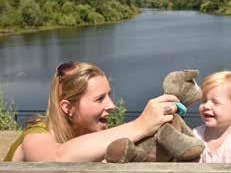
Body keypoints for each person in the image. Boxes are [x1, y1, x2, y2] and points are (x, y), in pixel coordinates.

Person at [4, 61, 179, 162]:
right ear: (67, 107)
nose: (112, 105)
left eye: (109, 95)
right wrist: (140, 125)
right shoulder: (36, 136)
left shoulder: (84, 133)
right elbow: (55, 158)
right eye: (99, 99)